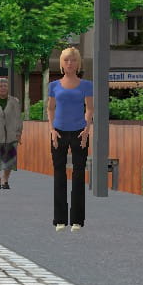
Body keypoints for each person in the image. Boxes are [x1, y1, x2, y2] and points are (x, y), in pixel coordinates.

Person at [46, 47, 93, 231]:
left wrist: (87, 129)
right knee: (59, 174)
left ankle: (77, 220)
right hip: (58, 132)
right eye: (66, 60)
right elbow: (50, 108)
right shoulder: (54, 86)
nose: (70, 63)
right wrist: (51, 129)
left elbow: (90, 108)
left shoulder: (86, 85)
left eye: (73, 60)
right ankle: (59, 219)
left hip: (79, 132)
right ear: (61, 63)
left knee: (79, 174)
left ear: (78, 63)